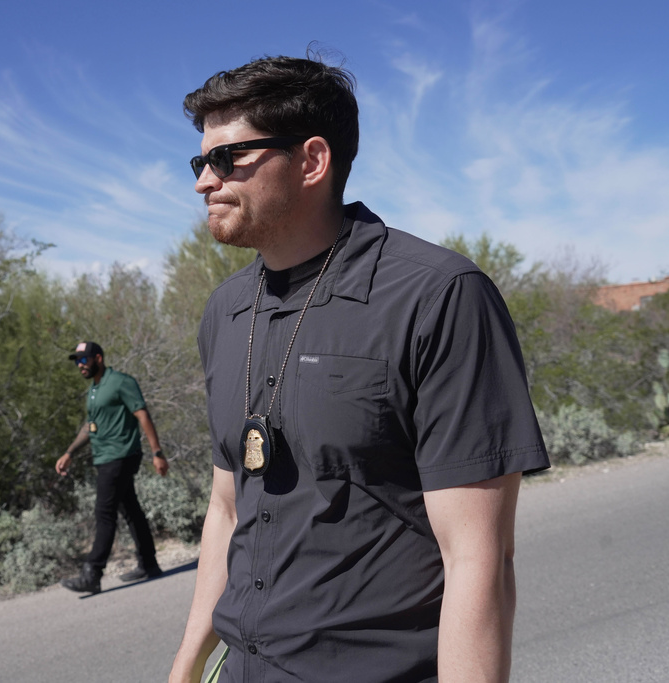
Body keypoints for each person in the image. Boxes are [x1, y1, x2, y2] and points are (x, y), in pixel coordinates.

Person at [169, 55, 550, 683]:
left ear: (313, 160)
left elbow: (478, 557)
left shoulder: (437, 296)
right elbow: (227, 507)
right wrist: (188, 664)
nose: (204, 182)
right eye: (200, 162)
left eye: (227, 159)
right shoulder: (226, 310)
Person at [55, 341, 169, 594]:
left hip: (120, 456)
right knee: (130, 510)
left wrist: (157, 452)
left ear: (98, 358)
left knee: (104, 513)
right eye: (77, 361)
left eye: (83, 360)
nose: (80, 365)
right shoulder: (94, 390)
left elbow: (142, 415)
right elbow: (90, 426)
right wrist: (69, 452)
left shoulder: (120, 382)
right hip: (105, 457)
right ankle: (149, 564)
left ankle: (92, 573)